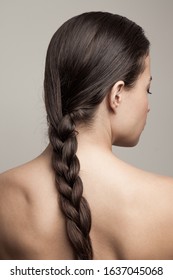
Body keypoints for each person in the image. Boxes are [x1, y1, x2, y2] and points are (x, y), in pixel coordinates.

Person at [0, 11, 173, 260]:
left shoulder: (5, 195)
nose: (148, 105)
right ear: (117, 94)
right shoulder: (166, 201)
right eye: (148, 89)